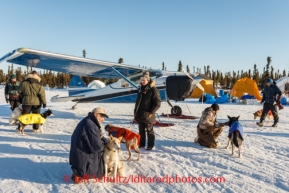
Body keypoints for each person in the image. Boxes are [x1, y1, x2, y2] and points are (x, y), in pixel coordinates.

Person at [69, 107, 108, 183]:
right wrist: (106, 143)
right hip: (83, 157)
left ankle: (78, 172)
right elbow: (97, 147)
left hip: (78, 155)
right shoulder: (91, 126)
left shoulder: (88, 121)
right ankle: (79, 174)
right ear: (95, 114)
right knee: (99, 158)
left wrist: (102, 140)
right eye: (102, 116)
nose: (103, 119)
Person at [134, 72, 161, 150]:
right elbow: (138, 102)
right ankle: (141, 144)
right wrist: (135, 113)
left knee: (149, 130)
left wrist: (151, 112)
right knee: (141, 131)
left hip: (148, 114)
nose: (142, 81)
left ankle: (150, 145)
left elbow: (158, 103)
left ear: (148, 80)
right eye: (141, 80)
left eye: (144, 80)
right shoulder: (140, 90)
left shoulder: (153, 90)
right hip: (140, 114)